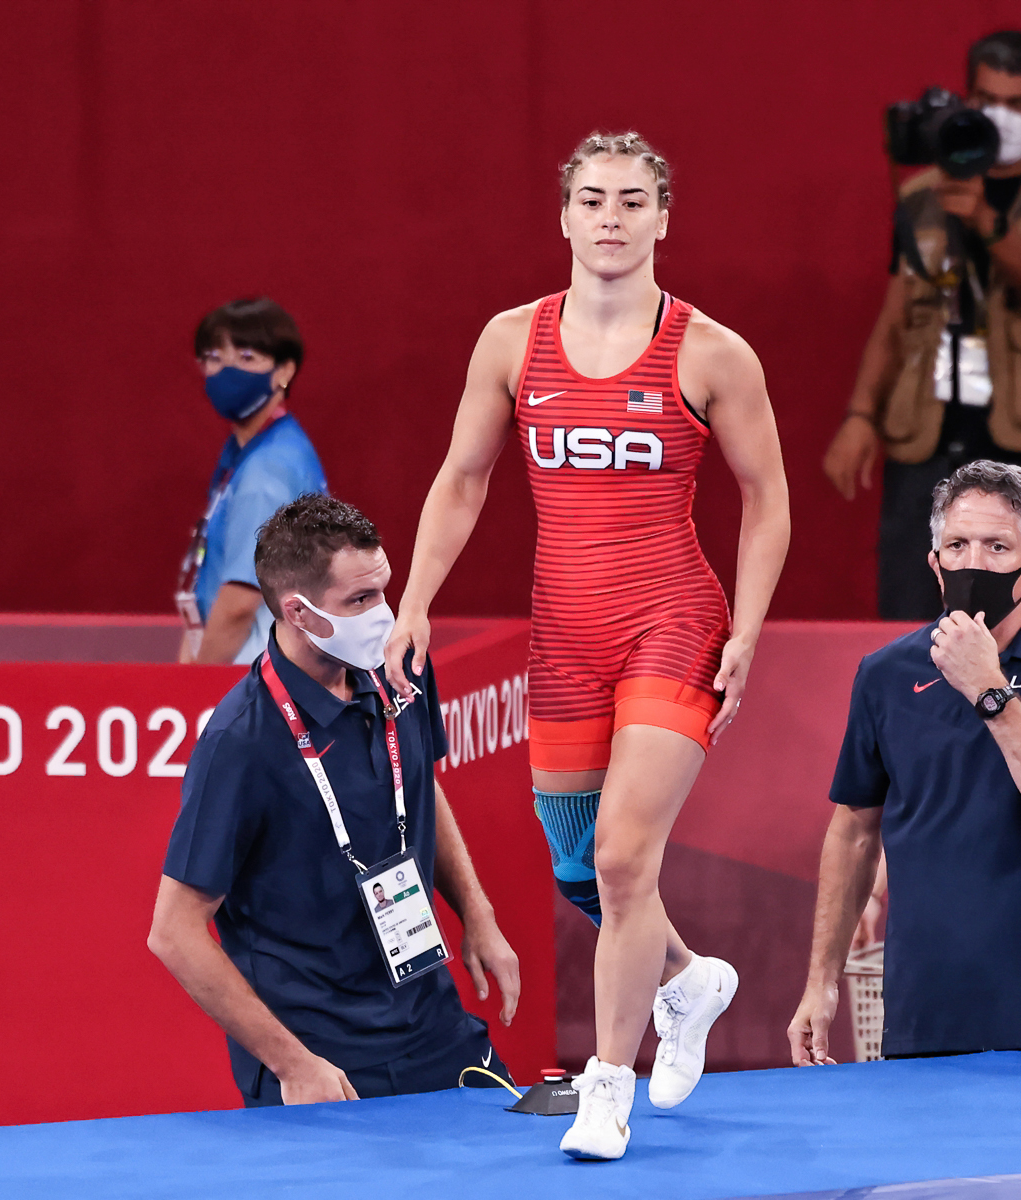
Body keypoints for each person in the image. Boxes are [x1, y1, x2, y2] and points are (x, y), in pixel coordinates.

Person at [385, 131, 791, 1159]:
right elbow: (463, 480)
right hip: (563, 636)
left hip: (673, 620)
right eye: (595, 200)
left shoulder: (709, 351)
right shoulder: (511, 341)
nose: (612, 218)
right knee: (583, 871)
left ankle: (608, 1085)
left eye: (634, 201)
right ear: (563, 217)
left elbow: (767, 499)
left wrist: (746, 625)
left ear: (664, 217)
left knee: (621, 858)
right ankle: (689, 980)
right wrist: (415, 603)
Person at [149, 494, 521, 1105]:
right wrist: (293, 1065)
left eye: (384, 590)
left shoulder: (403, 665)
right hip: (325, 1062)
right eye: (361, 601)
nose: (386, 614)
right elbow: (174, 931)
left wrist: (476, 915)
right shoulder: (240, 740)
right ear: (299, 613)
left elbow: (421, 783)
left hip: (435, 1027)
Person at [788, 461, 1021, 1064]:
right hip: (927, 1012)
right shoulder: (886, 674)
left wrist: (988, 689)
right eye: (957, 545)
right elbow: (853, 833)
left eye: (998, 546)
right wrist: (821, 981)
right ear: (934, 562)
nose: (974, 564)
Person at [822, 30, 1021, 620]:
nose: (999, 116)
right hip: (927, 429)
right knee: (909, 605)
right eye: (985, 100)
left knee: (1013, 616)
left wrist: (985, 219)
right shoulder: (923, 196)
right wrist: (859, 416)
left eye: (1019, 104)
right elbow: (897, 312)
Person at [177, 297, 328, 665]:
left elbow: (240, 603)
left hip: (251, 676)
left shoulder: (269, 468)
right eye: (214, 357)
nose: (227, 371)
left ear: (284, 371)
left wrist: (191, 691)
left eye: (247, 358)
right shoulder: (247, 452)